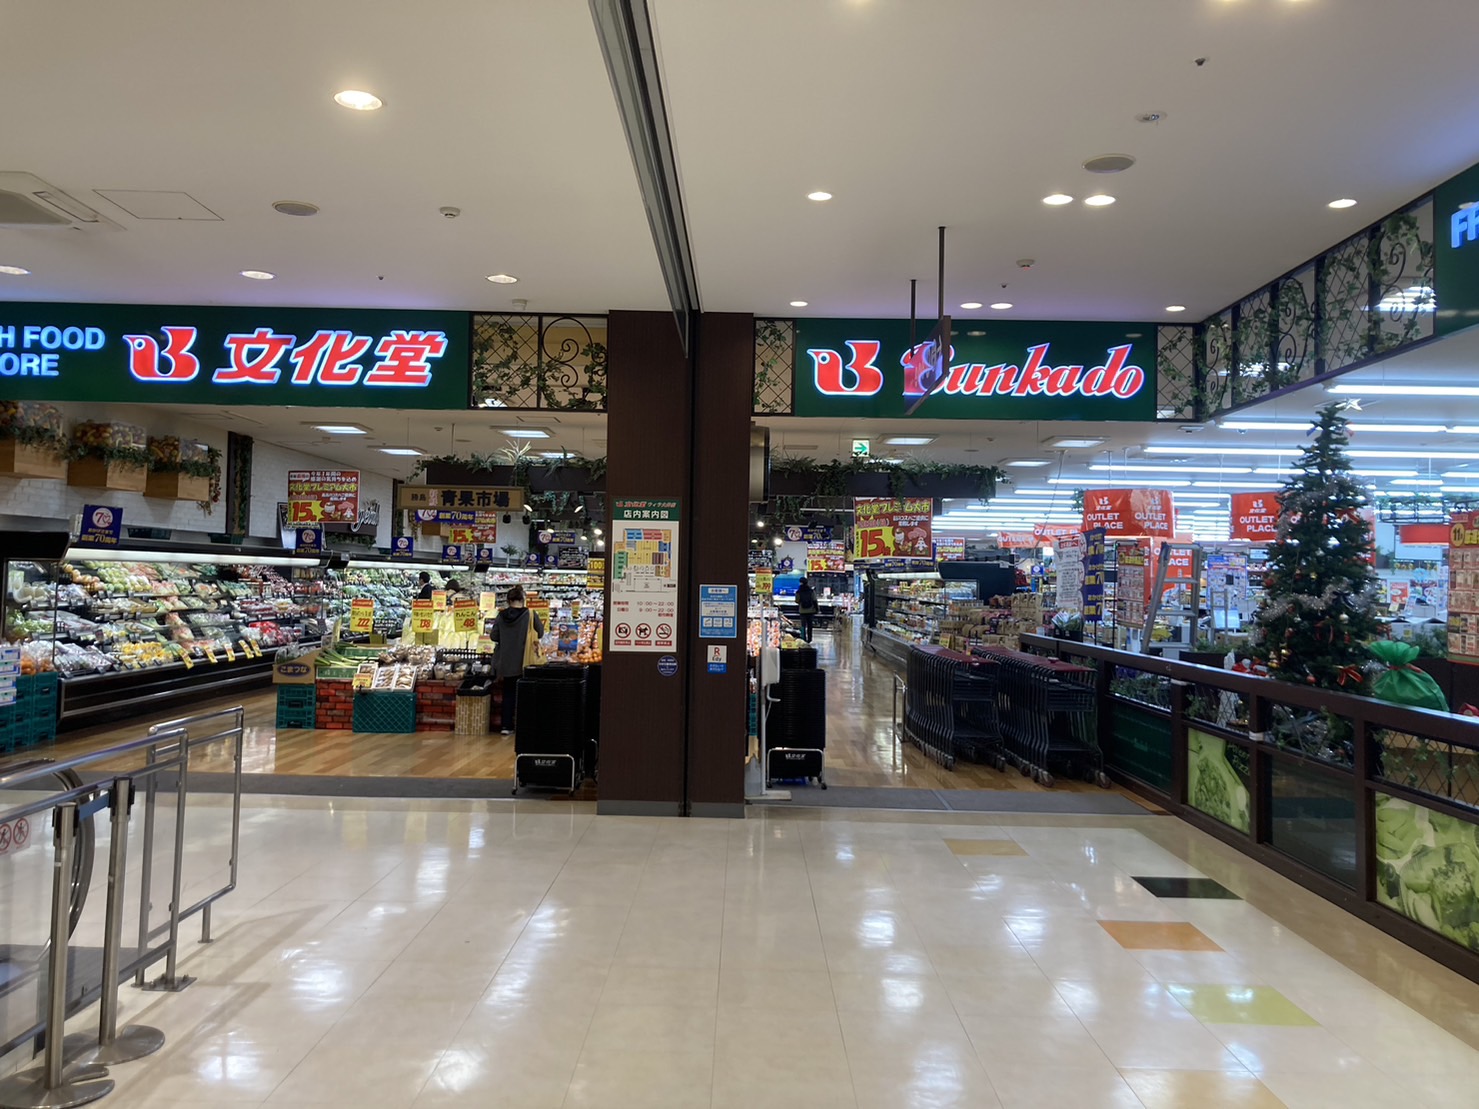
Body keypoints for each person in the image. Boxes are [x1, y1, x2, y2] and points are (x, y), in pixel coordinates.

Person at [490, 584, 544, 735]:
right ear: (523, 599)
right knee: (525, 694)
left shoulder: (501, 616)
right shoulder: (530, 614)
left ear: (508, 601)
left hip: (506, 661)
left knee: (508, 693)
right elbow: (540, 633)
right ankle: (524, 726)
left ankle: (506, 726)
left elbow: (494, 636)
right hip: (525, 659)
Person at [795, 576, 818, 643]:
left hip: (802, 611)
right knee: (810, 626)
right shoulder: (811, 591)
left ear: (801, 583)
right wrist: (817, 609)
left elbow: (797, 601)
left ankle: (803, 638)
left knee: (803, 626)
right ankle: (809, 639)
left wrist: (801, 602)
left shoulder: (798, 592)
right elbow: (814, 600)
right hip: (810, 611)